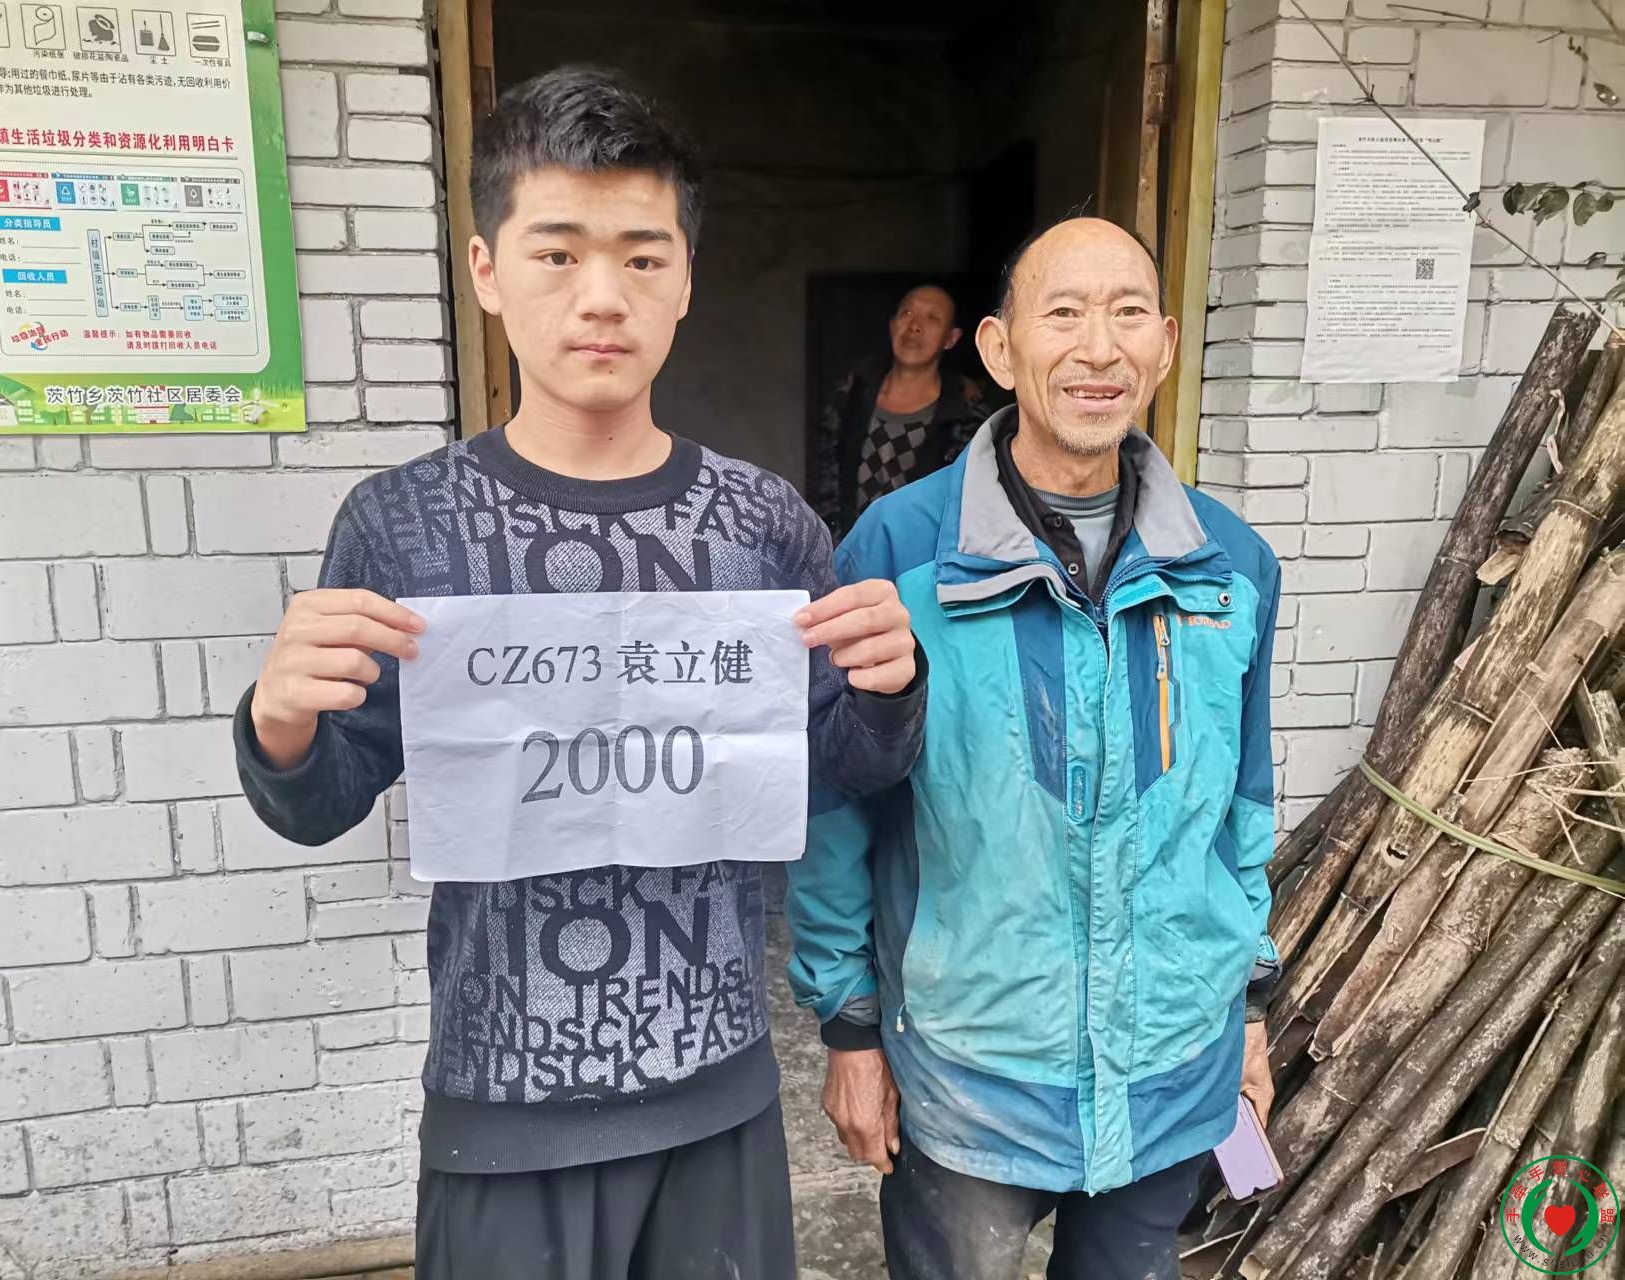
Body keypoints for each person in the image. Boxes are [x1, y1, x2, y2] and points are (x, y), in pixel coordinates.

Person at [235, 66, 926, 1280]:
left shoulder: (761, 524)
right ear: (486, 268)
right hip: (500, 1108)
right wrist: (280, 721)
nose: (601, 296)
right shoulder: (405, 526)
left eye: (641, 257)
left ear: (684, 278)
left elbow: (829, 769)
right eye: (556, 253)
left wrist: (888, 686)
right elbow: (324, 795)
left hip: (718, 1091)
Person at [787, 216, 1281, 1280]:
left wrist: (1245, 1004)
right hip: (972, 1073)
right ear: (1000, 349)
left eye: (1127, 314)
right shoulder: (899, 551)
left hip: (1169, 1063)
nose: (1098, 348)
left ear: (1164, 348)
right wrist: (849, 1026)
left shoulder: (1230, 564)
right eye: (1063, 314)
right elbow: (833, 803)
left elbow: (1242, 804)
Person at [812, 284, 990, 538]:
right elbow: (825, 487)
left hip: (924, 560)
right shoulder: (851, 396)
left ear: (951, 338)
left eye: (932, 318)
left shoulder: (966, 415)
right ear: (892, 325)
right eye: (907, 313)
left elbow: (970, 508)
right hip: (848, 555)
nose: (915, 326)